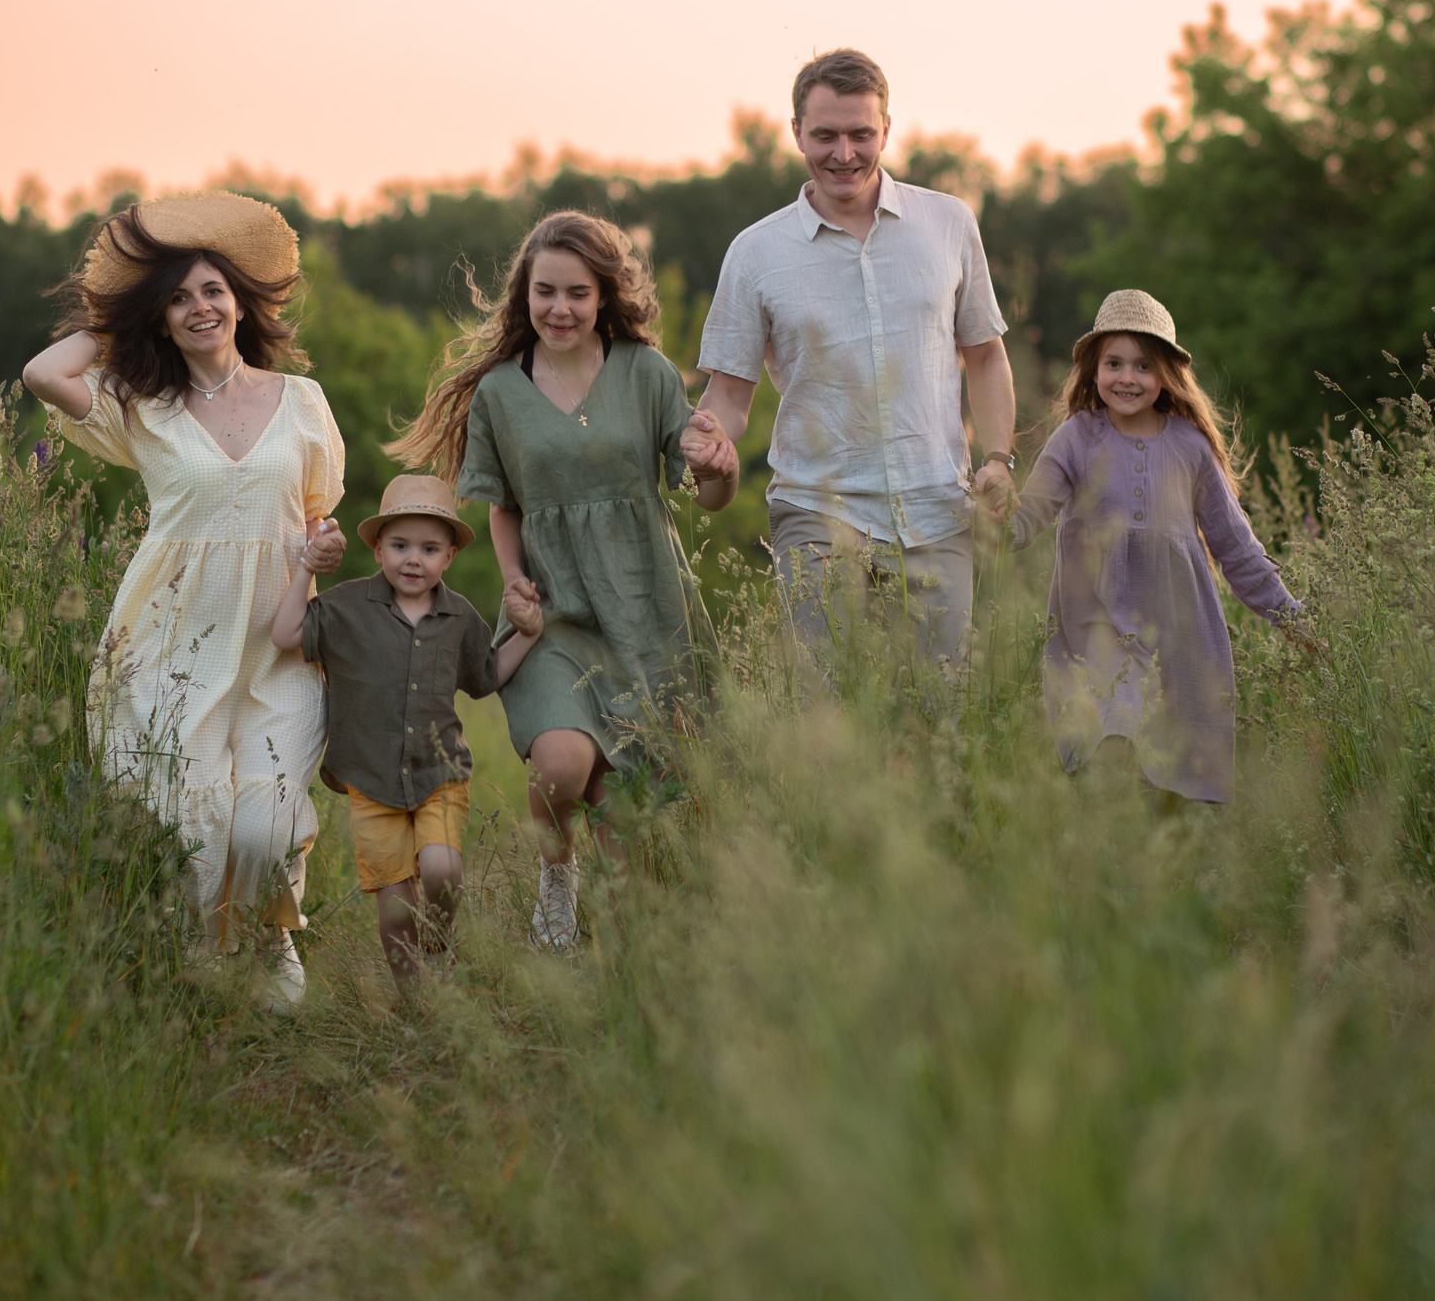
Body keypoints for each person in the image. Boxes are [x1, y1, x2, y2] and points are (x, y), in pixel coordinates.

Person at [21, 192, 344, 1013]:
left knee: (261, 829)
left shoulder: (301, 401)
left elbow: (318, 515)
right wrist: (123, 315)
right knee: (193, 831)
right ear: (159, 319)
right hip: (175, 642)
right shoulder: (144, 408)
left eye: (211, 289)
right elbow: (43, 373)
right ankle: (204, 973)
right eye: (177, 296)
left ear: (241, 300)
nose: (199, 307)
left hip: (278, 641)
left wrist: (325, 550)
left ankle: (274, 934)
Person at [389, 211, 740, 952]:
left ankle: (629, 955)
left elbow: (705, 490)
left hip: (645, 607)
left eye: (577, 292)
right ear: (524, 295)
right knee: (560, 765)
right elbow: (505, 507)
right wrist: (514, 581)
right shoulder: (499, 393)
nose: (560, 308)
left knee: (629, 816)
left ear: (603, 295)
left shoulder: (645, 373)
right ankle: (557, 874)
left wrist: (721, 470)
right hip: (551, 615)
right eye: (545, 291)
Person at [695, 47, 1017, 667]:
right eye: (825, 136)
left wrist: (999, 457)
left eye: (860, 134)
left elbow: (985, 355)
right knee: (829, 718)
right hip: (817, 511)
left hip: (937, 512)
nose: (844, 154)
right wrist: (711, 439)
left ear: (887, 130)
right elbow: (730, 395)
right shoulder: (755, 252)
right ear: (795, 134)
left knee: (939, 718)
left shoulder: (949, 223)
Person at [1008, 289, 1318, 805]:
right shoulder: (1076, 439)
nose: (1127, 377)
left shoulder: (1191, 447)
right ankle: (1108, 861)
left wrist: (1293, 620)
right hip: (1098, 632)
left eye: (1143, 365)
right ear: (1093, 369)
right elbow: (1031, 513)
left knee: (1176, 789)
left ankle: (1165, 868)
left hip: (1180, 636)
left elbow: (1237, 549)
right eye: (1114, 363)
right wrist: (993, 523)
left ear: (1166, 376)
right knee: (1111, 739)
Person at [269, 475, 547, 983]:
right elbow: (285, 632)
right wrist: (305, 567)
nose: (413, 559)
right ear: (377, 550)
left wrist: (527, 635)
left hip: (438, 774)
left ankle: (439, 947)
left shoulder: (459, 617)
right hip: (371, 781)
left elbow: (486, 676)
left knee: (443, 870)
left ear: (449, 558)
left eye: (429, 548)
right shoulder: (347, 608)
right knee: (395, 907)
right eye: (399, 545)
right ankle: (412, 1005)